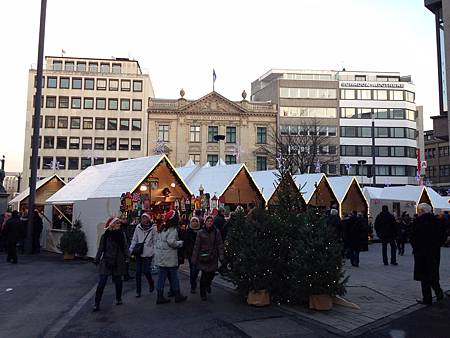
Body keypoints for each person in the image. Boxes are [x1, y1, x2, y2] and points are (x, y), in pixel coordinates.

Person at [410, 203, 446, 305]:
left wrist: (416, 248)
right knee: (433, 273)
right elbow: (443, 235)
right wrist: (437, 245)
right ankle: (438, 293)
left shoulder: (418, 222)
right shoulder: (437, 221)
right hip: (434, 252)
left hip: (422, 253)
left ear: (422, 211)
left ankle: (427, 298)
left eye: (419, 211)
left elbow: (413, 237)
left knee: (424, 276)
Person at [93, 217, 130, 312]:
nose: (119, 224)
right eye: (117, 223)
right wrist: (97, 259)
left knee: (118, 281)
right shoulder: (105, 236)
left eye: (119, 223)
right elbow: (101, 249)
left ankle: (118, 298)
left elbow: (125, 247)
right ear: (111, 224)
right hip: (107, 260)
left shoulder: (121, 235)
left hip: (118, 260)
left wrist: (127, 257)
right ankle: (97, 303)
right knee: (102, 282)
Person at [154, 210, 187, 304]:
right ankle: (177, 295)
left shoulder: (163, 228)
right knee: (174, 276)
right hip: (169, 257)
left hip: (162, 256)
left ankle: (159, 296)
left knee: (161, 277)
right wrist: (180, 243)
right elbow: (172, 242)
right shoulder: (172, 229)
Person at [192, 215, 224, 301]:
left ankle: (208, 284)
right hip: (204, 256)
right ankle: (203, 293)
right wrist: (194, 259)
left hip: (213, 256)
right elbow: (197, 246)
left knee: (212, 273)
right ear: (205, 222)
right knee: (204, 275)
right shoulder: (200, 233)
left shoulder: (216, 232)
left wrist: (221, 255)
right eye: (208, 221)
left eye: (211, 221)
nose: (209, 223)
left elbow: (220, 244)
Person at [129, 212, 156, 298]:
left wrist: (154, 252)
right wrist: (130, 250)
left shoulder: (153, 228)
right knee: (138, 272)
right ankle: (138, 291)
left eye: (145, 218)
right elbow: (134, 239)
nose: (144, 220)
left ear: (149, 219)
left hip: (148, 253)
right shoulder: (138, 227)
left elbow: (155, 241)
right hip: (138, 252)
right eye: (142, 218)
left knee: (146, 271)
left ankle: (151, 282)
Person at [184, 216, 201, 293]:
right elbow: (186, 243)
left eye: (196, 221)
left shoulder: (201, 231)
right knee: (193, 270)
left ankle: (196, 283)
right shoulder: (188, 231)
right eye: (193, 221)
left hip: (200, 253)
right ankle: (193, 286)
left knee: (197, 270)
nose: (194, 222)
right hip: (191, 254)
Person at [119, 214, 134, 281]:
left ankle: (126, 275)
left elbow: (128, 235)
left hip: (127, 245)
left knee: (127, 261)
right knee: (123, 261)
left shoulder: (127, 226)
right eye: (123, 218)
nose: (125, 220)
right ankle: (123, 275)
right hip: (122, 246)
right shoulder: (120, 227)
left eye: (125, 218)